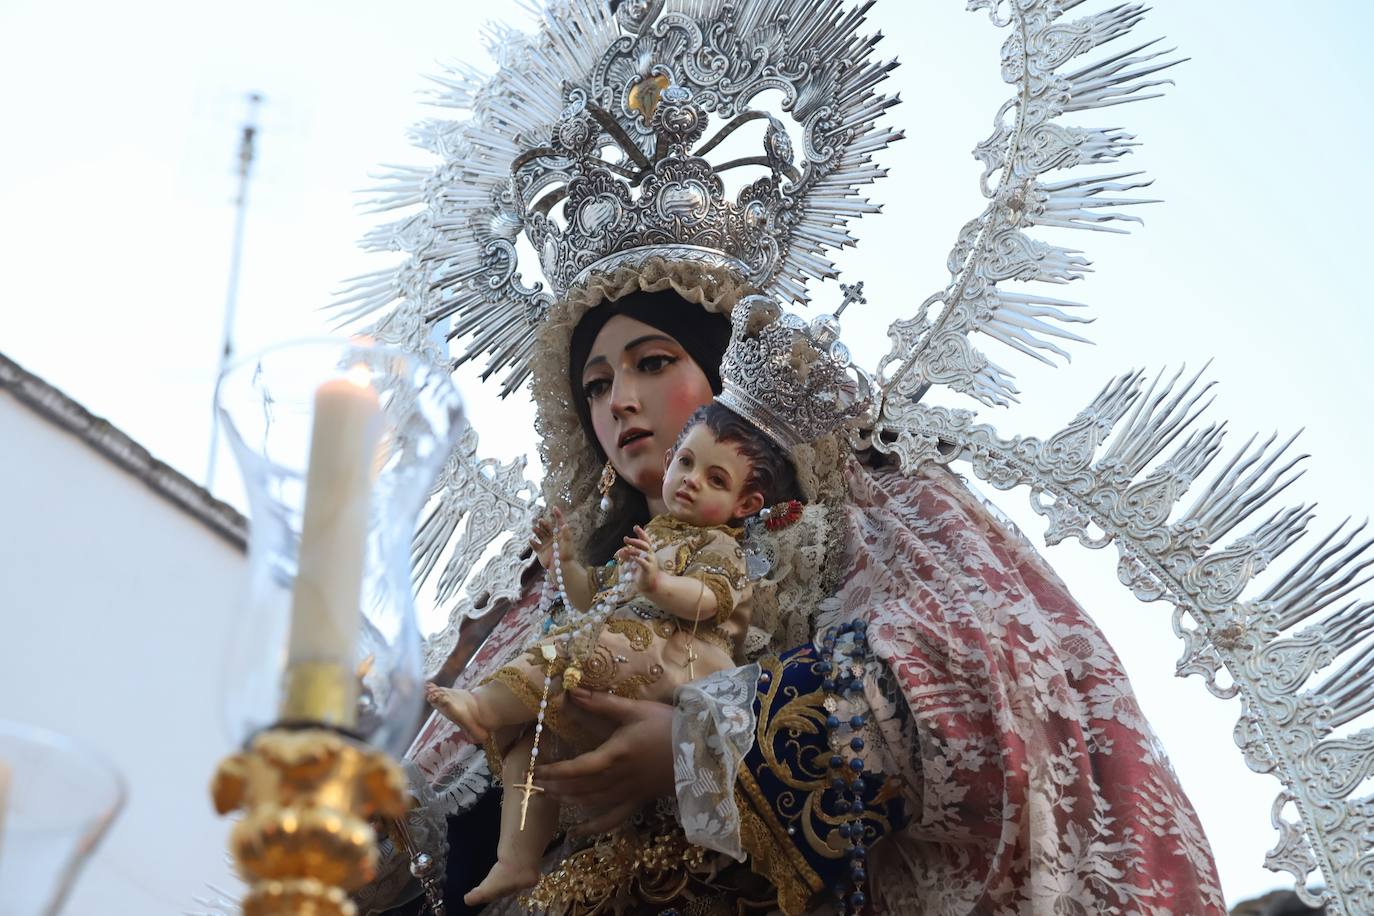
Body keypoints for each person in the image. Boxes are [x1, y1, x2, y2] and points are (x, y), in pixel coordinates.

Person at [375, 271, 1226, 916]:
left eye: (653, 362)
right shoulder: (540, 598)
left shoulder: (875, 509)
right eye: (595, 384)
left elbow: (1002, 671)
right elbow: (422, 823)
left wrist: (702, 746)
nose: (620, 402)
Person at [423, 399, 800, 905]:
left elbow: (709, 600)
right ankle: (516, 859)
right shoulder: (651, 537)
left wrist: (658, 583)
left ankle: (483, 708)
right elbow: (590, 598)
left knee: (568, 650)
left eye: (716, 479)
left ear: (745, 505)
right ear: (669, 462)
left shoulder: (720, 546)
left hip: (676, 660)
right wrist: (563, 560)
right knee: (534, 747)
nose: (691, 480)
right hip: (624, 655)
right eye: (686, 463)